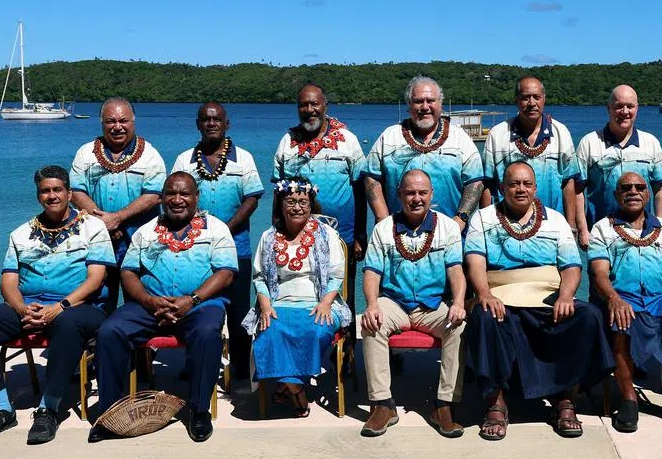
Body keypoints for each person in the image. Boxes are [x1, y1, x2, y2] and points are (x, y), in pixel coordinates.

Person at [0, 166, 112, 444]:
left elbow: (95, 279)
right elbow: (8, 282)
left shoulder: (93, 227)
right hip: (30, 306)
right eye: (45, 190)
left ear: (69, 193)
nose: (52, 195)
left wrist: (61, 306)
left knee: (68, 324)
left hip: (79, 307)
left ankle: (49, 407)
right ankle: (0, 407)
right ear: (38, 195)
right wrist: (21, 309)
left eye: (57, 189)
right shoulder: (21, 233)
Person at [464, 162, 613, 441]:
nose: (520, 189)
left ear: (535, 188)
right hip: (501, 294)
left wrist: (567, 295)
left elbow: (571, 266)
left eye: (526, 184)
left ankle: (566, 399)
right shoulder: (483, 218)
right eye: (513, 184)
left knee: (588, 316)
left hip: (547, 296)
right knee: (484, 317)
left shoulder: (555, 220)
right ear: (501, 188)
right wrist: (484, 294)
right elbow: (475, 261)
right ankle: (496, 404)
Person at [90, 172, 237, 443]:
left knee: (207, 333)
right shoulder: (146, 231)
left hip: (199, 304)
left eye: (184, 194)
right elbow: (129, 273)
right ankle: (110, 412)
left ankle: (198, 409)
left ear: (196, 197)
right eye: (171, 193)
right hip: (150, 305)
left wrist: (191, 300)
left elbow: (226, 273)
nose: (177, 200)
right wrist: (148, 300)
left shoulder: (217, 229)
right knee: (110, 331)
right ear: (162, 197)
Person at [588, 172, 662, 436]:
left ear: (648, 194)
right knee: (620, 319)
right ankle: (629, 398)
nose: (633, 191)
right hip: (625, 297)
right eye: (626, 187)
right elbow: (599, 273)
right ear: (616, 194)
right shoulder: (602, 228)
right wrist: (614, 299)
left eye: (640, 187)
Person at [360, 170, 466, 438]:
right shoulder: (384, 229)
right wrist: (371, 304)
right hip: (395, 302)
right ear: (399, 195)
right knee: (372, 322)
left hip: (432, 306)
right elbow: (372, 272)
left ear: (431, 195)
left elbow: (456, 271)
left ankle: (443, 405)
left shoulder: (448, 227)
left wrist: (459, 302)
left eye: (422, 193)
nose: (416, 198)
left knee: (459, 326)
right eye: (410, 193)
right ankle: (382, 404)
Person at [242, 177, 351, 418]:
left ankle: (288, 386)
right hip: (279, 303)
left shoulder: (327, 235)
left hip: (319, 301)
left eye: (303, 201)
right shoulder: (269, 237)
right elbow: (259, 276)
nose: (297, 207)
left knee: (316, 330)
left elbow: (336, 276)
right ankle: (297, 389)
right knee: (270, 331)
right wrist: (265, 304)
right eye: (290, 201)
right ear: (281, 204)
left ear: (311, 205)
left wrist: (325, 303)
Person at [172, 102, 263, 385]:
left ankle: (239, 372)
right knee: (196, 309)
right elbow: (175, 200)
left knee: (238, 313)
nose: (211, 124)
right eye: (206, 120)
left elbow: (252, 199)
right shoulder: (184, 160)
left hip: (237, 249)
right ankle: (194, 363)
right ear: (198, 124)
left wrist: (225, 230)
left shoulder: (244, 159)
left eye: (217, 120)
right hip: (194, 250)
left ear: (227, 124)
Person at [71, 98, 166, 312]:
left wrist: (118, 218)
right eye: (110, 121)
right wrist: (102, 224)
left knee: (141, 301)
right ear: (102, 123)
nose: (117, 127)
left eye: (123, 121)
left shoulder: (150, 155)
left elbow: (154, 195)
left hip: (140, 242)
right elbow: (76, 192)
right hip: (95, 241)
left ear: (133, 122)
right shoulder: (85, 153)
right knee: (97, 300)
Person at [364, 76, 484, 231]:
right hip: (396, 232)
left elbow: (475, 183)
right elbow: (370, 178)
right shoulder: (389, 137)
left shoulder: (460, 139)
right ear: (409, 105)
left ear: (440, 104)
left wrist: (461, 219)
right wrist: (383, 219)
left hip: (449, 234)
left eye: (431, 101)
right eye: (419, 101)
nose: (425, 107)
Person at [272, 83, 367, 260]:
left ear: (325, 106)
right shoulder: (287, 142)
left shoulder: (348, 140)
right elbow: (278, 194)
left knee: (342, 287)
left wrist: (360, 235)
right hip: (296, 238)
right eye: (303, 105)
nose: (309, 110)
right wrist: (275, 233)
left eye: (314, 104)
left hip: (342, 237)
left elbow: (361, 191)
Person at [575, 84, 662, 248]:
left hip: (643, 232)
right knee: (599, 274)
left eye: (630, 106)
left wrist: (660, 226)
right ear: (609, 109)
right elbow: (577, 190)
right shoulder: (589, 143)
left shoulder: (651, 143)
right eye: (618, 106)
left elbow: (660, 190)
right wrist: (583, 230)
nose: (625, 112)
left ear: (637, 109)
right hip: (601, 233)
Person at [482, 76, 580, 226]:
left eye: (536, 97)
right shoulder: (498, 134)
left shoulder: (561, 133)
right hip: (507, 224)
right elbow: (488, 184)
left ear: (544, 99)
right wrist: (486, 224)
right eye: (525, 98)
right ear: (516, 100)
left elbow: (569, 182)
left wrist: (571, 227)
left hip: (552, 224)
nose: (532, 103)